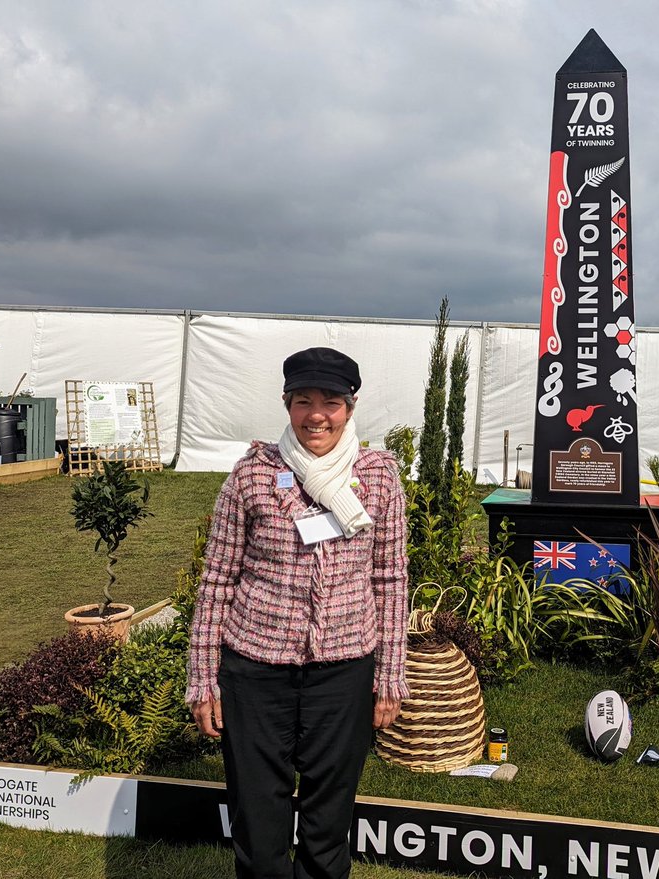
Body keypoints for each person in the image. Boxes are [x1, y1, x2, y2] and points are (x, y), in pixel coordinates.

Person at [185, 346, 409, 879]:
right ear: (286, 405)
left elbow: (391, 579)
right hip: (256, 671)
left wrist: (391, 675)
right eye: (303, 401)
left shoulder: (378, 478)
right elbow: (217, 578)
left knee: (328, 824)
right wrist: (202, 680)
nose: (316, 415)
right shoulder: (253, 475)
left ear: (350, 408)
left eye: (330, 402)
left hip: (343, 672)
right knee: (258, 825)